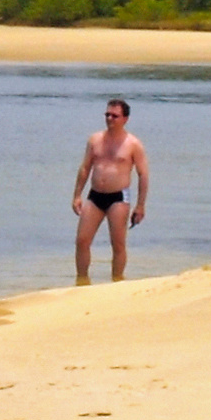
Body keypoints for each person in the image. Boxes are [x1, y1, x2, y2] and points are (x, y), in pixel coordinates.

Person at [72, 96, 148, 282]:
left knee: (118, 244)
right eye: (107, 115)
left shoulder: (133, 144)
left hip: (118, 198)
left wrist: (140, 206)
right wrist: (77, 195)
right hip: (95, 196)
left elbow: (143, 175)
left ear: (125, 119)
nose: (109, 119)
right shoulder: (95, 140)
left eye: (114, 116)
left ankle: (117, 280)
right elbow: (85, 168)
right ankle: (82, 280)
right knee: (82, 241)